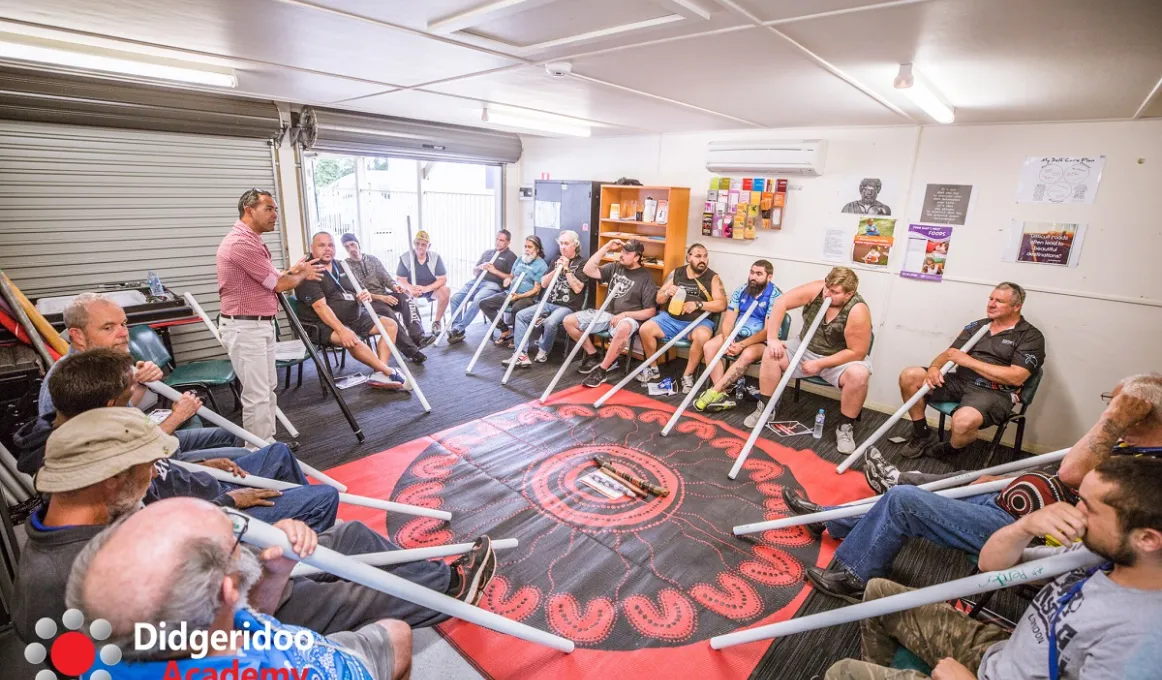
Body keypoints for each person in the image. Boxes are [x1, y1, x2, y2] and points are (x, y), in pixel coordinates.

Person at [12, 406, 498, 644]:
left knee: (345, 537)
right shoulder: (70, 574)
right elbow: (194, 639)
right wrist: (267, 578)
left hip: (225, 584)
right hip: (224, 625)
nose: (154, 476)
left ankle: (429, 578)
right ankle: (451, 588)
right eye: (147, 468)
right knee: (348, 594)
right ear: (111, 479)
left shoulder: (89, 514)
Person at [783, 374, 1159, 604]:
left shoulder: (1144, 467)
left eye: (1115, 405)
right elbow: (1056, 473)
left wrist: (1111, 421)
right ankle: (833, 521)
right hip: (1009, 498)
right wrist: (1001, 482)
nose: (1108, 410)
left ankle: (854, 574)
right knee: (915, 481)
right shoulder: (1126, 445)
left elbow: (1073, 474)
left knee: (903, 500)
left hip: (1021, 530)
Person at [823, 455, 1162, 680]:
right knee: (879, 592)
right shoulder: (1098, 553)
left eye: (1088, 508)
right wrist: (1025, 526)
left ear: (1147, 539)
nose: (1074, 512)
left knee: (843, 672)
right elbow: (990, 564)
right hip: (1002, 653)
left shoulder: (1142, 640)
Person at [66, 498, 412, 680]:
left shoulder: (106, 645)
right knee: (396, 633)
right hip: (315, 658)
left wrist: (274, 575)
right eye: (235, 535)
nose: (244, 539)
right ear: (227, 590)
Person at [37, 292, 251, 462]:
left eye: (123, 324)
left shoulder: (105, 363)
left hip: (150, 441)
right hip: (148, 462)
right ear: (77, 336)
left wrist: (139, 383)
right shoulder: (72, 382)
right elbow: (119, 456)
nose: (123, 333)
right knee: (250, 457)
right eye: (108, 327)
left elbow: (124, 408)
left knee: (230, 434)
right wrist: (178, 416)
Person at [891, 283, 1045, 466]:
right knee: (910, 375)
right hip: (960, 381)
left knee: (963, 422)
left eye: (999, 301)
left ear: (1016, 307)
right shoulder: (978, 326)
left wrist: (968, 361)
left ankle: (950, 449)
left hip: (994, 392)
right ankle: (922, 433)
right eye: (991, 299)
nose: (991, 304)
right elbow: (950, 353)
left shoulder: (1030, 336)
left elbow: (1016, 377)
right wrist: (934, 368)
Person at [217, 188, 324, 442]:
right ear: (249, 210)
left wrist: (292, 271)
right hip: (245, 328)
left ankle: (267, 442)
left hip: (257, 325)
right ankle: (257, 451)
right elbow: (279, 285)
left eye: (275, 209)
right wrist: (301, 275)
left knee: (267, 390)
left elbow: (272, 276)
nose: (275, 215)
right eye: (269, 209)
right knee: (256, 394)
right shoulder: (240, 243)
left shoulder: (252, 240)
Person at [744, 267, 873, 455]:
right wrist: (772, 339)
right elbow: (780, 303)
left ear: (849, 294)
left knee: (859, 374)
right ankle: (765, 408)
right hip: (804, 347)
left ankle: (845, 428)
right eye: (828, 288)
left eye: (835, 292)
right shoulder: (818, 289)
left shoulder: (857, 310)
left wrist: (820, 364)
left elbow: (857, 352)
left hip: (839, 357)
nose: (828, 294)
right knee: (771, 354)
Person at [297, 232, 408, 391]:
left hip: (354, 316)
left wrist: (364, 294)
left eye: (331, 245)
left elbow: (358, 289)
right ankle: (388, 372)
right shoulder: (308, 272)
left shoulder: (341, 265)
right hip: (323, 324)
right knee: (351, 337)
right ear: (311, 248)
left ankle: (379, 373)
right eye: (322, 245)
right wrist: (342, 331)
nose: (327, 249)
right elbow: (320, 307)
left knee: (390, 325)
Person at [564, 239, 658, 388]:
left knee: (624, 328)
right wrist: (606, 247)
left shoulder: (645, 277)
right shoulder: (615, 267)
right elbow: (588, 270)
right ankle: (594, 355)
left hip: (628, 318)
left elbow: (650, 311)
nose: (622, 255)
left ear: (637, 257)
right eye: (622, 251)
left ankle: (601, 371)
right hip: (607, 314)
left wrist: (626, 315)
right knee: (568, 321)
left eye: (627, 253)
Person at [694, 260, 783, 412]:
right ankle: (721, 394)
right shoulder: (741, 290)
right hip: (736, 336)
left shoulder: (776, 297)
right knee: (709, 346)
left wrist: (742, 345)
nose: (753, 277)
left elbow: (767, 331)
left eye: (759, 274)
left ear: (769, 277)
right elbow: (728, 321)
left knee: (747, 355)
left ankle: (714, 391)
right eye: (752, 272)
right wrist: (729, 340)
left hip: (762, 341)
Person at [635, 244, 726, 393]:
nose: (702, 260)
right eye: (698, 256)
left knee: (702, 336)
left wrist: (698, 304)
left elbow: (722, 304)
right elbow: (658, 299)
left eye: (705, 256)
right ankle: (653, 368)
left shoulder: (713, 277)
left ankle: (687, 376)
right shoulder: (676, 273)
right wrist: (666, 293)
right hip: (670, 320)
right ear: (688, 257)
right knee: (645, 329)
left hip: (698, 322)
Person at [341, 232, 434, 363]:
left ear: (358, 244)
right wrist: (381, 298)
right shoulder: (346, 266)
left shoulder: (372, 259)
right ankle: (412, 351)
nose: (351, 249)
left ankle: (418, 337)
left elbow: (386, 278)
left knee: (407, 298)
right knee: (387, 313)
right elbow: (357, 291)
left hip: (384, 295)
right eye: (347, 247)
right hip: (368, 301)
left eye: (353, 245)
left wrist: (396, 287)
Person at [504, 230, 588, 368]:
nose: (563, 247)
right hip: (548, 302)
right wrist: (556, 269)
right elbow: (543, 283)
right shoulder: (556, 260)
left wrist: (566, 269)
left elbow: (578, 288)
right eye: (561, 243)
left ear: (575, 245)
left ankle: (543, 350)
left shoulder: (582, 263)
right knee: (520, 315)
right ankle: (521, 355)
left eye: (566, 243)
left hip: (568, 307)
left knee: (550, 322)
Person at [444, 230, 518, 345]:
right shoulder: (487, 253)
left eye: (501, 240)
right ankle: (458, 330)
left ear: (508, 242)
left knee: (478, 300)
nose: (498, 242)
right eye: (497, 239)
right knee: (455, 298)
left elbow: (511, 277)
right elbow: (474, 271)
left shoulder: (511, 257)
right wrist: (480, 267)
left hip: (493, 285)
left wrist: (495, 271)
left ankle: (457, 330)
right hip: (476, 281)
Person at [479, 235, 548, 348]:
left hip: (527, 297)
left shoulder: (541, 266)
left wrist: (519, 296)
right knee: (484, 303)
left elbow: (536, 290)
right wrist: (507, 280)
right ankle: (505, 330)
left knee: (517, 308)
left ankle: (517, 336)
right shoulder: (520, 259)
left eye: (529, 247)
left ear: (537, 249)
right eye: (525, 246)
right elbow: (511, 276)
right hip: (510, 293)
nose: (526, 249)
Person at [395, 230, 452, 334]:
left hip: (430, 289)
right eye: (417, 243)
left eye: (423, 244)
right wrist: (410, 288)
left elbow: (442, 279)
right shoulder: (405, 257)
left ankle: (437, 322)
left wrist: (426, 288)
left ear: (429, 246)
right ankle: (413, 327)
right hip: (411, 289)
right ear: (413, 243)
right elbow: (400, 279)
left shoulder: (435, 257)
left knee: (446, 290)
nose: (420, 247)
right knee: (402, 293)